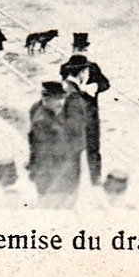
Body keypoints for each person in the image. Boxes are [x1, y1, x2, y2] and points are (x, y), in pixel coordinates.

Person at [26, 79, 86, 208]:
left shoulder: (66, 110)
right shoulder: (42, 121)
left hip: (67, 171)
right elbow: (41, 148)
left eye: (60, 99)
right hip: (52, 173)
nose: (60, 103)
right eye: (46, 98)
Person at [60, 35, 111, 187]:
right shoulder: (66, 67)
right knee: (73, 147)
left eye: (84, 49)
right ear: (73, 49)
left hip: (91, 113)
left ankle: (95, 178)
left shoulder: (93, 67)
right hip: (75, 114)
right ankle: (72, 179)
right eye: (79, 49)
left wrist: (95, 87)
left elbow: (106, 84)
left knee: (93, 147)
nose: (82, 51)